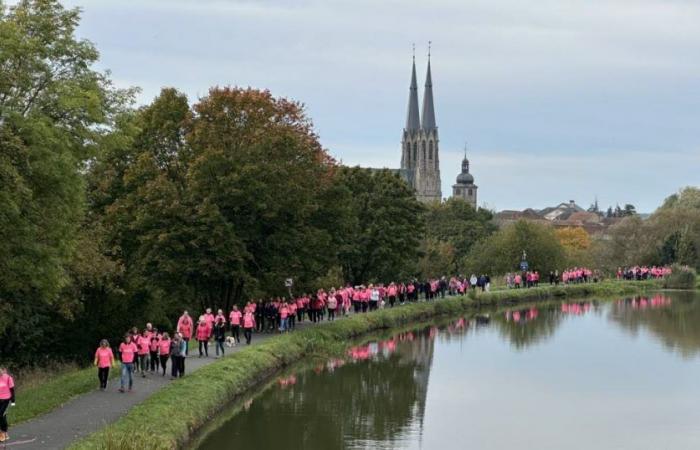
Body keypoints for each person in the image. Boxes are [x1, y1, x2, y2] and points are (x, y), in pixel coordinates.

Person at [0, 367, 16, 443]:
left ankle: (3, 432)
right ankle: (5, 433)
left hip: (6, 400)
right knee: (3, 416)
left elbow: (12, 390)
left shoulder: (8, 378)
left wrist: (13, 401)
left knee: (1, 415)